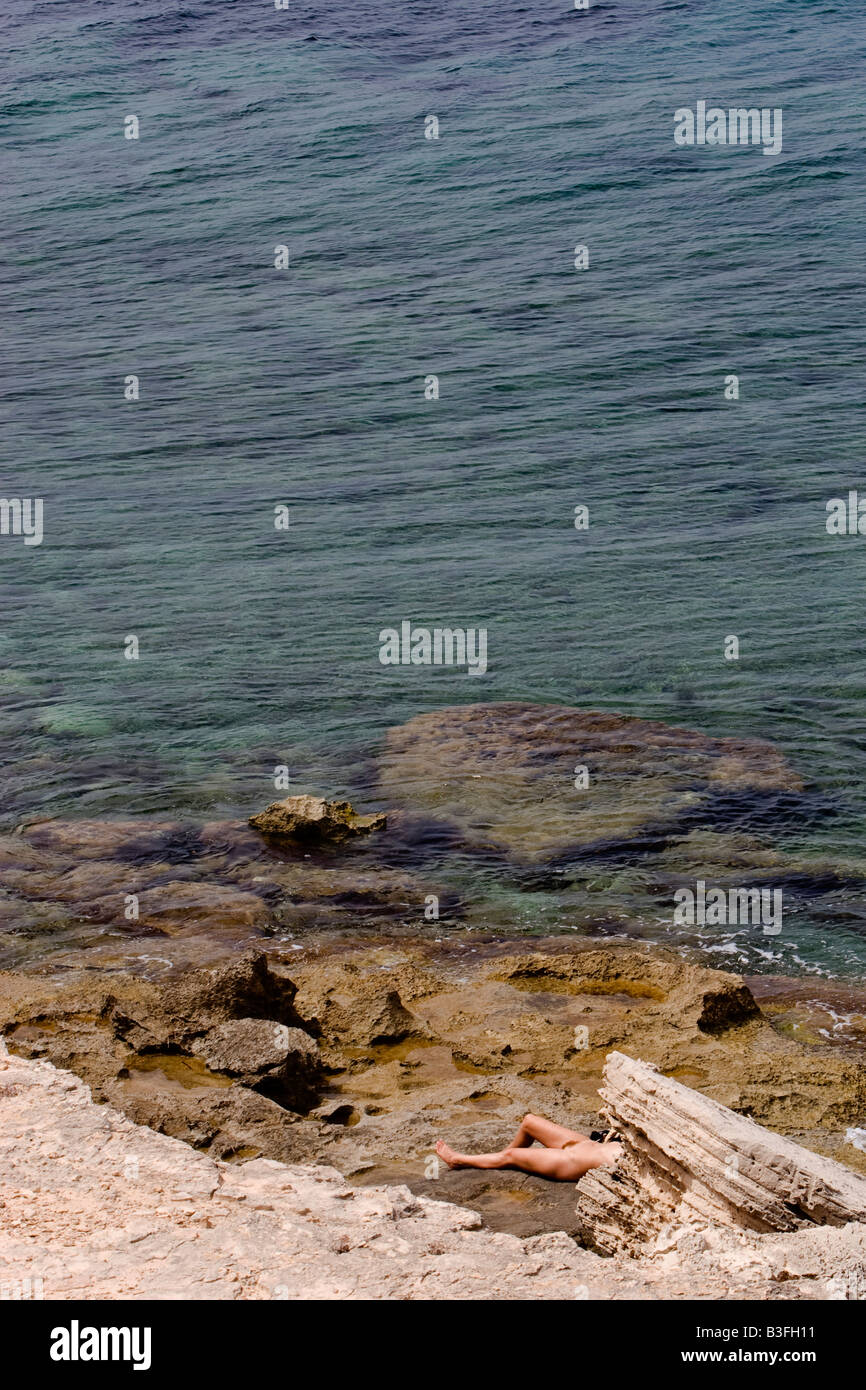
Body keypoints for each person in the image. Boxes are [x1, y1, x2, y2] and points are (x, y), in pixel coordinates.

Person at [435, 1113, 623, 1181]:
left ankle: (457, 1161)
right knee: (529, 1122)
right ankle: (498, 1159)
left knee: (512, 1155)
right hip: (585, 1144)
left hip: (571, 1163)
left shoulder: (644, 1166)